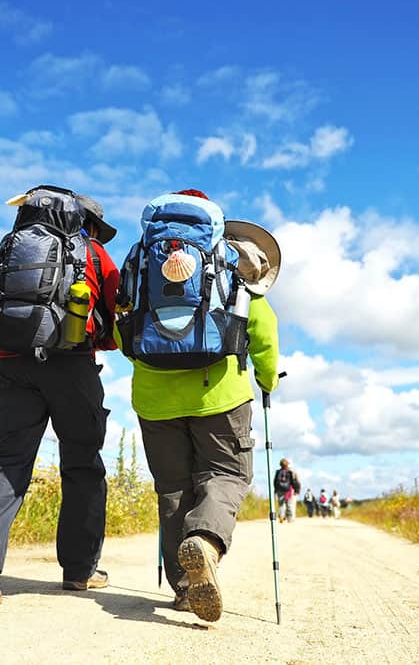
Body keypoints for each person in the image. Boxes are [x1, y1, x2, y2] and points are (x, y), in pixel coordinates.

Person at [120, 190, 280, 622]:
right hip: (220, 394)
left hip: (154, 399)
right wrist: (265, 380)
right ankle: (206, 542)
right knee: (227, 473)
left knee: (172, 488)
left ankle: (184, 587)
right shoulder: (228, 263)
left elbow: (123, 332)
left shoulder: (141, 262)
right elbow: (262, 331)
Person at [0, 188, 120, 605]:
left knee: (8, 460)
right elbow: (115, 318)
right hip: (72, 367)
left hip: (11, 366)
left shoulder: (11, 249)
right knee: (83, 463)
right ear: (88, 223)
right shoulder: (93, 255)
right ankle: (81, 572)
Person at [273, 458, 301, 523]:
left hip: (280, 490)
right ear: (287, 464)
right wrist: (297, 490)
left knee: (281, 504)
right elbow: (294, 482)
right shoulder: (290, 472)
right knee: (290, 504)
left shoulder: (278, 472)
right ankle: (290, 519)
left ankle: (281, 516)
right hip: (289, 490)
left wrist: (275, 490)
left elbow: (275, 482)